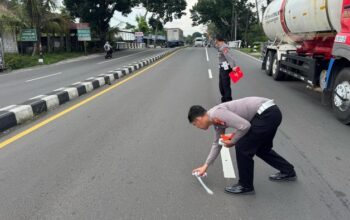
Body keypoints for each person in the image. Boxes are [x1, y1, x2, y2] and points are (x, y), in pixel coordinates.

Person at [188, 97, 296, 195]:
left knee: (242, 146)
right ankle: (288, 171)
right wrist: (205, 166)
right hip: (271, 113)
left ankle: (245, 185)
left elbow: (244, 126)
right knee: (262, 149)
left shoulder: (216, 114)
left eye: (194, 124)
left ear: (198, 119)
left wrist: (233, 141)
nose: (196, 127)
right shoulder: (215, 120)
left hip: (266, 114)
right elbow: (217, 143)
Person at [215, 35, 236, 103]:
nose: (215, 41)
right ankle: (224, 99)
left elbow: (230, 57)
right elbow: (216, 46)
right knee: (221, 85)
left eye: (216, 40)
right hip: (222, 68)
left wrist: (233, 67)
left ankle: (228, 101)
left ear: (218, 40)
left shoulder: (224, 47)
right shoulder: (220, 47)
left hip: (226, 68)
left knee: (225, 85)